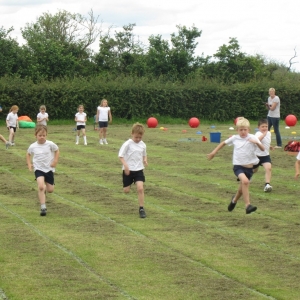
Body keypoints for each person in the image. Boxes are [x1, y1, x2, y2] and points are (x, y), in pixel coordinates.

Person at [207, 117, 265, 214]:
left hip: (249, 168)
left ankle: (234, 201)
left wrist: (257, 143)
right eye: (240, 130)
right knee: (245, 182)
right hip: (238, 167)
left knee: (241, 190)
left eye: (245, 130)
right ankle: (248, 205)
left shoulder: (253, 138)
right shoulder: (235, 138)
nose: (243, 132)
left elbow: (263, 149)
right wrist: (213, 152)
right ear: (237, 130)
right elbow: (223, 143)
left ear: (249, 130)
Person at [26, 125, 60, 216]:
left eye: (43, 135)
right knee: (41, 186)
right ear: (35, 135)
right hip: (38, 169)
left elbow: (57, 150)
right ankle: (43, 207)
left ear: (46, 135)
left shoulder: (50, 144)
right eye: (40, 135)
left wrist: (55, 161)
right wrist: (29, 164)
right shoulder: (33, 146)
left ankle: (46, 187)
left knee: (50, 190)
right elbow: (28, 154)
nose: (42, 137)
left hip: (49, 169)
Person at [118, 123, 148, 218]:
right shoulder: (127, 144)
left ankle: (141, 208)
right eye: (136, 137)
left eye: (140, 137)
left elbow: (144, 153)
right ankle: (128, 184)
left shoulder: (143, 145)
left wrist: (145, 160)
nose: (138, 139)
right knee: (126, 190)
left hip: (139, 169)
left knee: (140, 188)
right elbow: (121, 156)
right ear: (132, 134)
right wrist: (126, 166)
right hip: (128, 171)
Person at [253, 118, 273, 192]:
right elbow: (257, 141)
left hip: (265, 156)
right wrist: (263, 134)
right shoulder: (258, 134)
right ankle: (246, 176)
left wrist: (269, 146)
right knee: (254, 170)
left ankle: (267, 184)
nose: (265, 128)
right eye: (262, 127)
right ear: (258, 127)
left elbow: (267, 142)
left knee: (268, 168)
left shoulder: (269, 133)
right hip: (257, 156)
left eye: (266, 126)